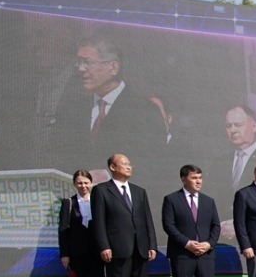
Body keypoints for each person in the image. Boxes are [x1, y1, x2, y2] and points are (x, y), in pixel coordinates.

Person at [55, 36, 170, 181]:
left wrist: (109, 175)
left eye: (88, 62)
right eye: (79, 62)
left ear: (113, 67)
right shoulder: (74, 110)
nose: (81, 69)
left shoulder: (144, 110)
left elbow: (153, 164)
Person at [89, 153, 158, 277]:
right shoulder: (102, 190)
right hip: (117, 248)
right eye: (124, 163)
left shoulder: (139, 191)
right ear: (113, 167)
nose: (129, 166)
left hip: (140, 248)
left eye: (129, 163)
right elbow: (99, 222)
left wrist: (151, 244)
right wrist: (104, 245)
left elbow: (147, 220)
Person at [161, 164, 224, 277]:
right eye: (194, 178)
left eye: (200, 178)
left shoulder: (208, 201)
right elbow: (169, 225)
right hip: (182, 254)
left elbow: (216, 226)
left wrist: (209, 244)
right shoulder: (171, 199)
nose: (198, 181)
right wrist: (187, 243)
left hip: (205, 254)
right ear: (183, 179)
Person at [58, 169, 105, 277]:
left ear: (91, 183)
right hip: (76, 255)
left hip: (96, 254)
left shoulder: (98, 202)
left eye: (86, 182)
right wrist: (65, 254)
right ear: (74, 184)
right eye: (79, 183)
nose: (83, 186)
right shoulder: (68, 203)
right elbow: (63, 230)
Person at [222, 105, 256, 193]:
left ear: (254, 126)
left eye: (238, 125)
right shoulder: (221, 162)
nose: (233, 130)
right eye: (229, 126)